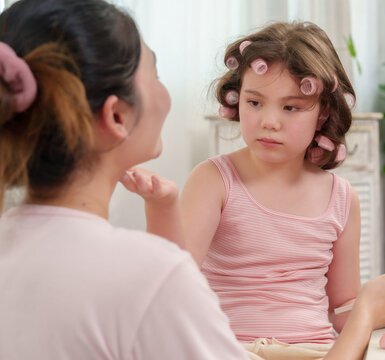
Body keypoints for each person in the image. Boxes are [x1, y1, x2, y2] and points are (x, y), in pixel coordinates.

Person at [124, 22, 385, 360]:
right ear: (238, 100)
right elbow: (173, 286)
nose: (269, 120)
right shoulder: (215, 180)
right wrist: (159, 207)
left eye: (290, 107)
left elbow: (341, 312)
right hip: (231, 349)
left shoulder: (341, 198)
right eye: (255, 102)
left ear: (323, 112)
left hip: (318, 351)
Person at [0, 0, 249, 359]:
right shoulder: (150, 277)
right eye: (156, 74)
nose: (165, 95)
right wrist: (360, 319)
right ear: (117, 115)